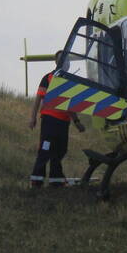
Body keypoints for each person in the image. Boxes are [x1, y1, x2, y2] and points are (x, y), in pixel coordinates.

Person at [29, 52, 85, 188]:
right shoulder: (48, 78)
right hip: (49, 121)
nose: (66, 63)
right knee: (45, 149)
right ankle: (37, 180)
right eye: (62, 60)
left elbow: (70, 105)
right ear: (56, 62)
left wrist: (77, 122)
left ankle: (56, 180)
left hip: (63, 123)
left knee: (60, 150)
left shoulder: (70, 81)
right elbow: (38, 99)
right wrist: (33, 117)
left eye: (67, 60)